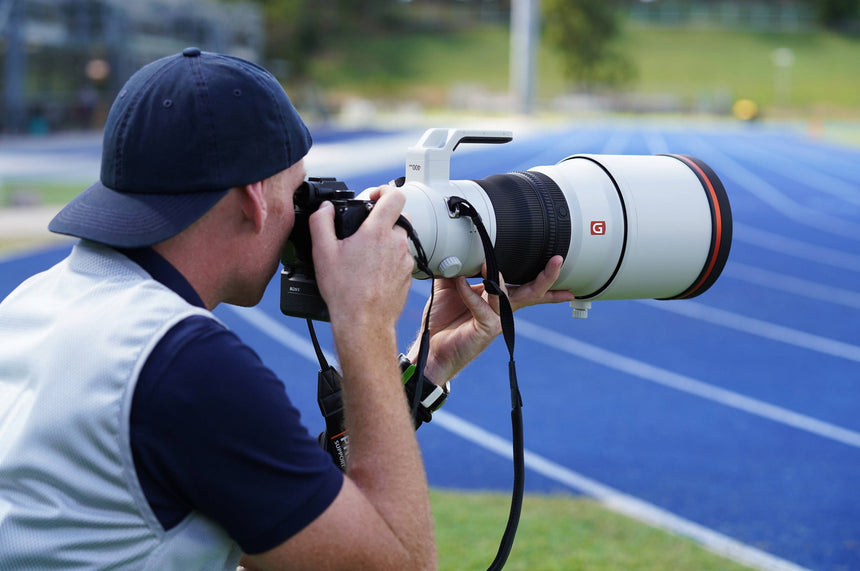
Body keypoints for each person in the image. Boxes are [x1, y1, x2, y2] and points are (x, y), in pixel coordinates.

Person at [0, 48, 574, 569]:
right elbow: (398, 564)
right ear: (255, 198)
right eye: (299, 191)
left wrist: (423, 365)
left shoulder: (36, 304)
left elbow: (290, 520)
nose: (307, 215)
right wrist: (365, 321)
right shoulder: (179, 364)